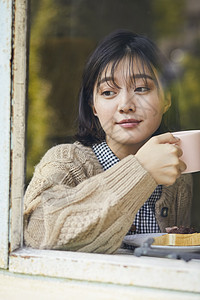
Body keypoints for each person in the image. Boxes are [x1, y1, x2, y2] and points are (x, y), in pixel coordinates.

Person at [24, 30, 192, 254]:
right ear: (93, 105)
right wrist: (140, 172)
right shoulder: (65, 163)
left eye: (142, 88)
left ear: (166, 99)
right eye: (108, 92)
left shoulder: (178, 178)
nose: (125, 104)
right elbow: (37, 233)